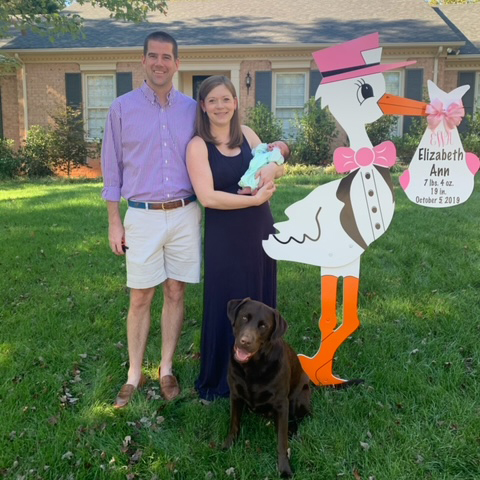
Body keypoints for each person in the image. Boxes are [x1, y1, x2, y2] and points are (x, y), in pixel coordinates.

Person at [101, 31, 201, 407]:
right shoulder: (122, 109)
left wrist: (273, 151)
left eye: (167, 57)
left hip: (185, 213)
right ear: (143, 60)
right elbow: (111, 170)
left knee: (176, 291)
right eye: (153, 56)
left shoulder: (193, 109)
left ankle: (167, 368)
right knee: (141, 296)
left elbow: (225, 137)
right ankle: (134, 373)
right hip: (140, 217)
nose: (160, 63)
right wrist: (114, 221)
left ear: (177, 63)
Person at [186, 75, 285, 401]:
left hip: (259, 229)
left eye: (225, 99)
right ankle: (221, 381)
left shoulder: (247, 134)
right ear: (203, 106)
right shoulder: (198, 146)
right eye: (212, 100)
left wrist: (273, 170)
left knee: (259, 300)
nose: (220, 106)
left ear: (235, 103)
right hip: (225, 236)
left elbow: (273, 162)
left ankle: (262, 376)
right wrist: (252, 200)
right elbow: (208, 197)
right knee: (225, 303)